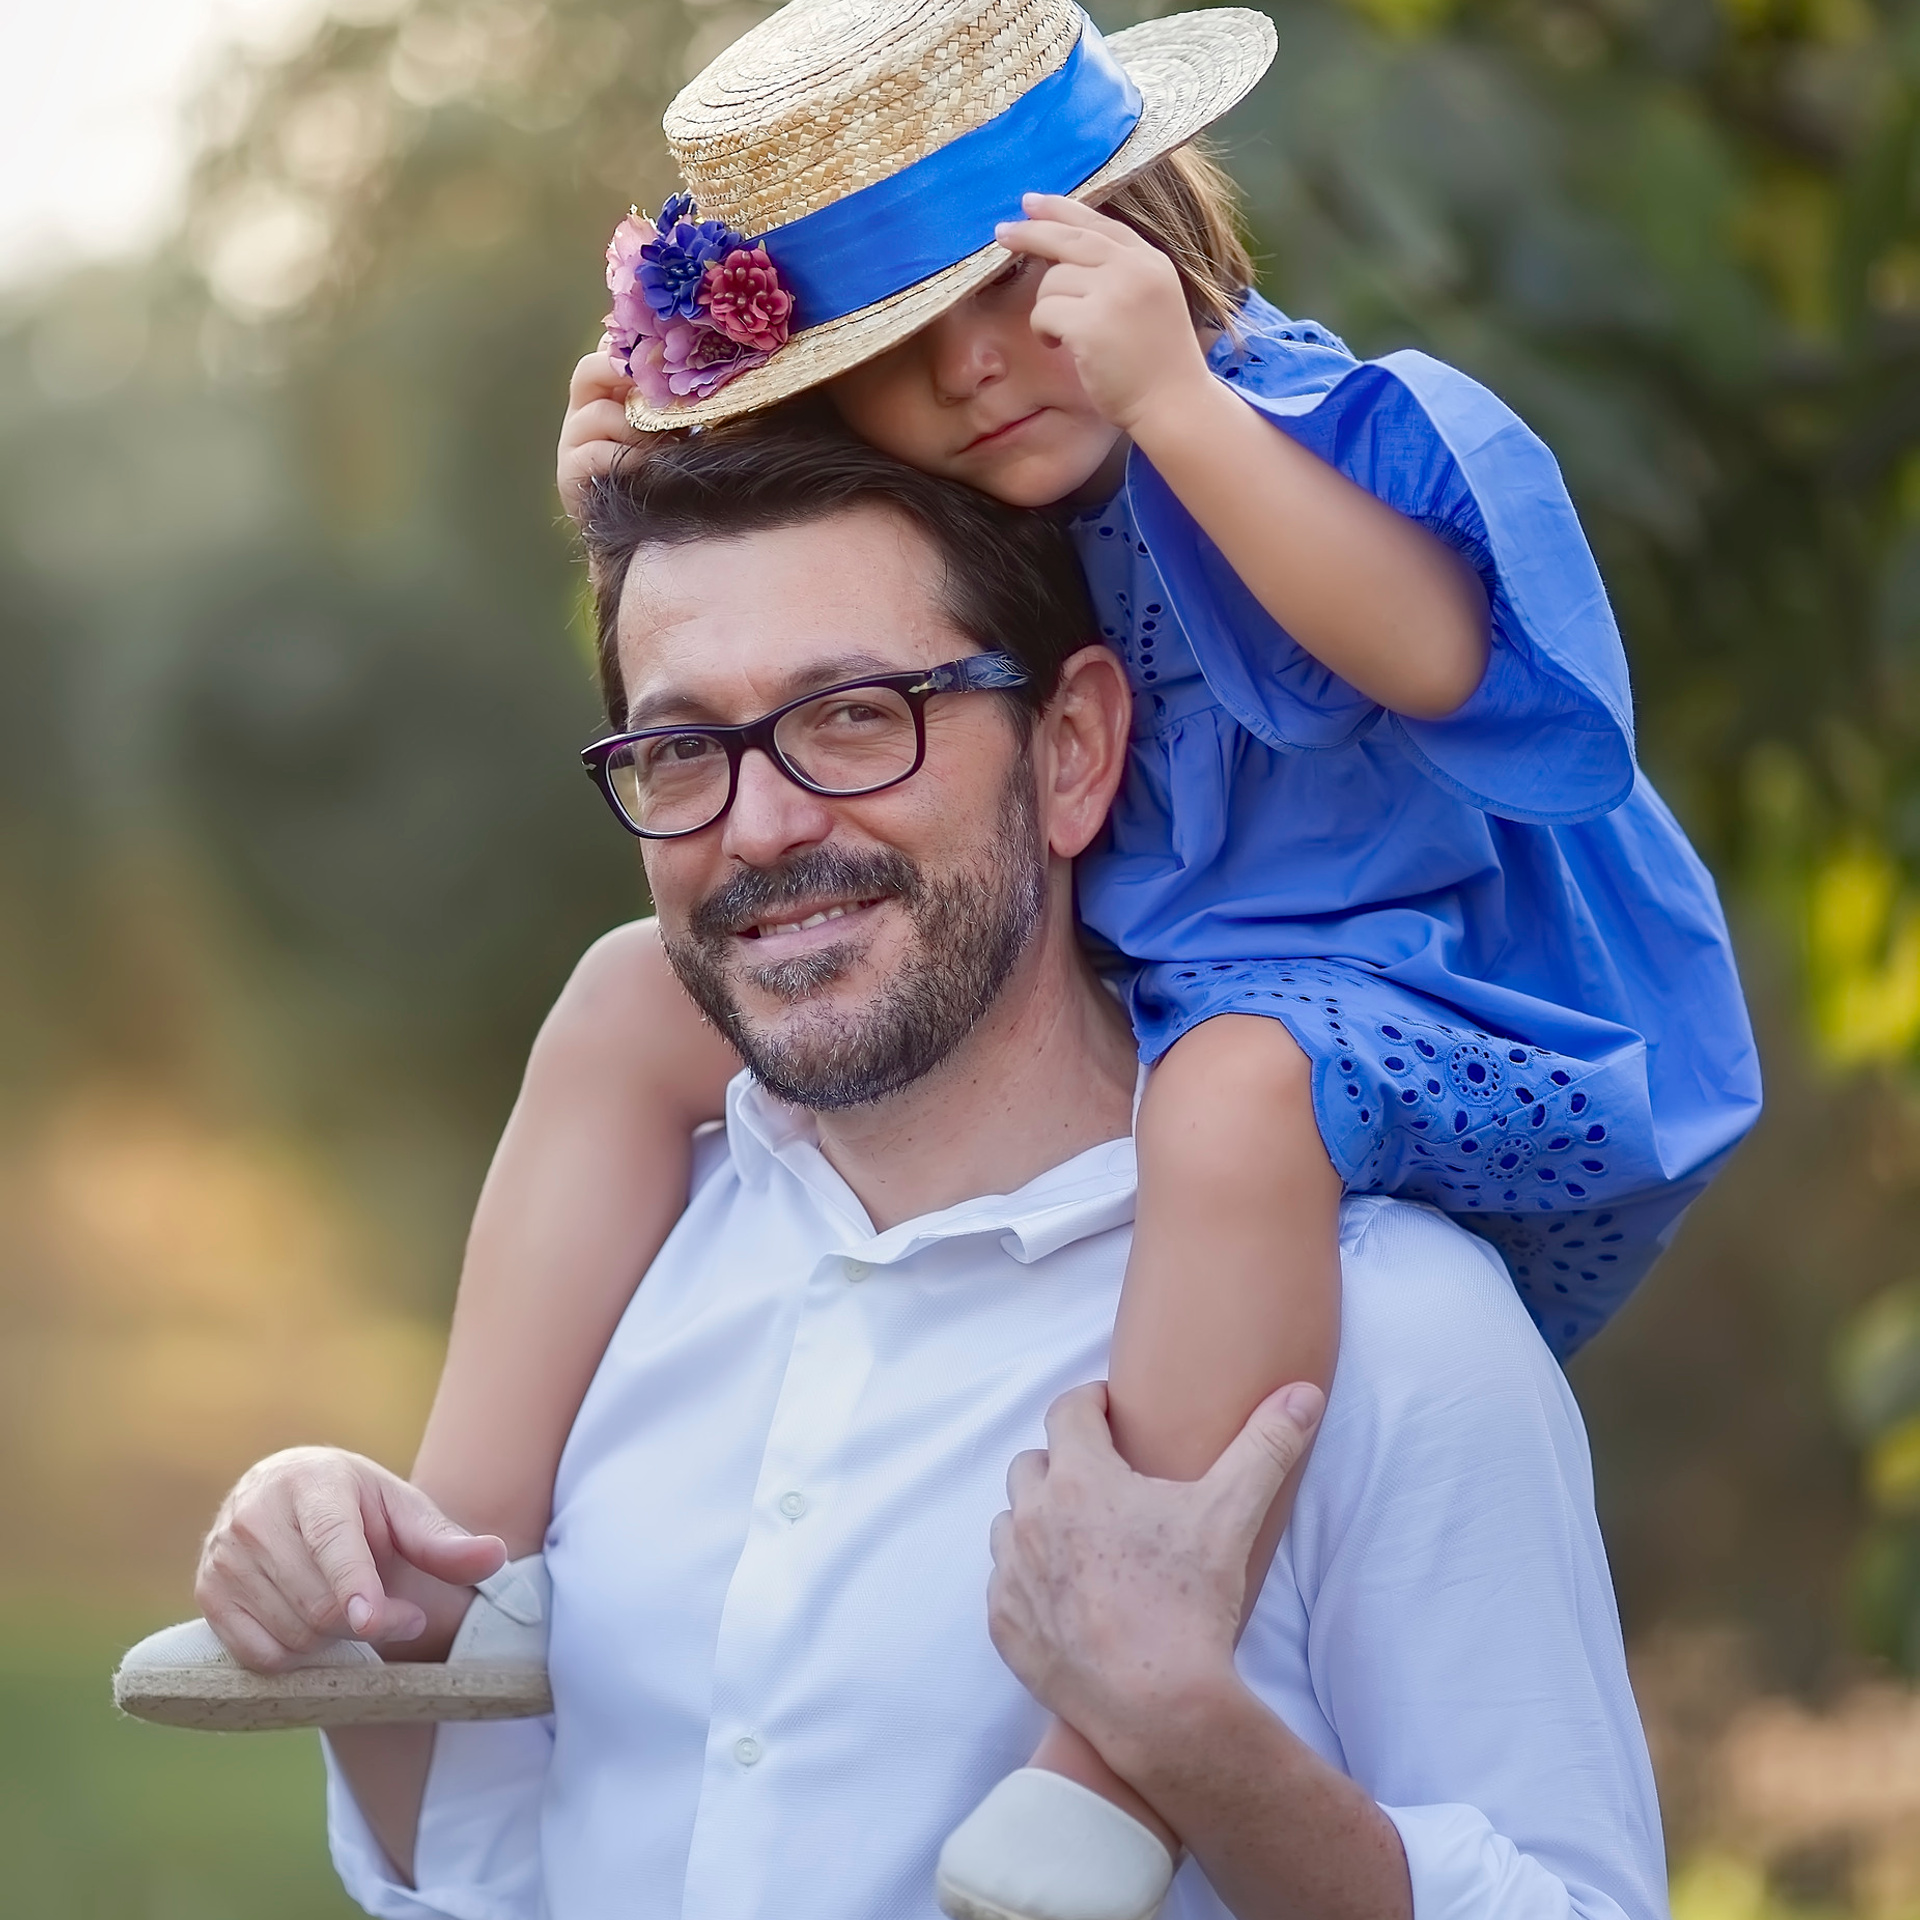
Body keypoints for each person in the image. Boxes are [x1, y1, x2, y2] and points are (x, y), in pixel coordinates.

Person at [190, 422, 1670, 1920]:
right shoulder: (641, 1247)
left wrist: (1195, 1747)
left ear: (1074, 750)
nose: (757, 826)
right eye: (684, 748)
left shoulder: (1391, 1333)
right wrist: (344, 1596)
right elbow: (486, 1868)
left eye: (851, 716)